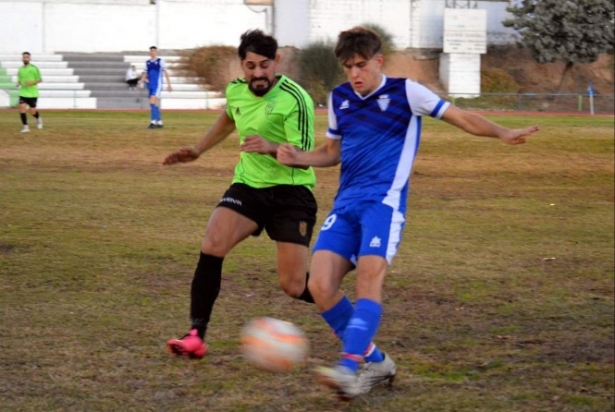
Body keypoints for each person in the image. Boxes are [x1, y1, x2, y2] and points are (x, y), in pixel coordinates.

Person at [277, 26, 540, 399]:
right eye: (348, 66)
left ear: (378, 61)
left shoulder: (407, 92)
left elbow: (462, 117)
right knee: (319, 286)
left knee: (369, 280)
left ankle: (349, 367)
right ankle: (378, 362)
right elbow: (332, 151)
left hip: (383, 205)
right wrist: (299, 157)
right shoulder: (340, 99)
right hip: (346, 204)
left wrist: (502, 132)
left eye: (361, 65)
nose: (355, 73)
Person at [162, 29, 319, 359]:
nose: (258, 73)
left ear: (276, 61)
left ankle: (350, 312)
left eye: (264, 65)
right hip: (248, 186)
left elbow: (304, 151)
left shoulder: (296, 98)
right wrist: (198, 149)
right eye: (250, 66)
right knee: (212, 243)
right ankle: (196, 335)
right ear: (242, 65)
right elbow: (229, 117)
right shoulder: (236, 91)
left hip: (291, 193)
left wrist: (271, 147)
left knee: (294, 286)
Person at [139, 46, 172, 129]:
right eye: (151, 51)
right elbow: (145, 74)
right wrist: (141, 82)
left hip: (157, 85)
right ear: (149, 52)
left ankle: (153, 122)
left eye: (154, 51)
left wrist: (169, 84)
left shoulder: (160, 61)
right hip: (150, 85)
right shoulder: (147, 63)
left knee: (152, 102)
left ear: (156, 52)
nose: (153, 52)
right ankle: (160, 122)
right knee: (153, 104)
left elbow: (165, 72)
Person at [16, 52, 43, 133]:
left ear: (30, 59)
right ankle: (25, 127)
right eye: (24, 57)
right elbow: (20, 80)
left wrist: (31, 83)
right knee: (22, 108)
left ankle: (38, 119)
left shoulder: (34, 68)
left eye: (27, 57)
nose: (25, 59)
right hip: (23, 93)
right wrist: (18, 83)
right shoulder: (20, 69)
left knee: (32, 111)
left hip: (32, 93)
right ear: (22, 58)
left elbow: (40, 79)